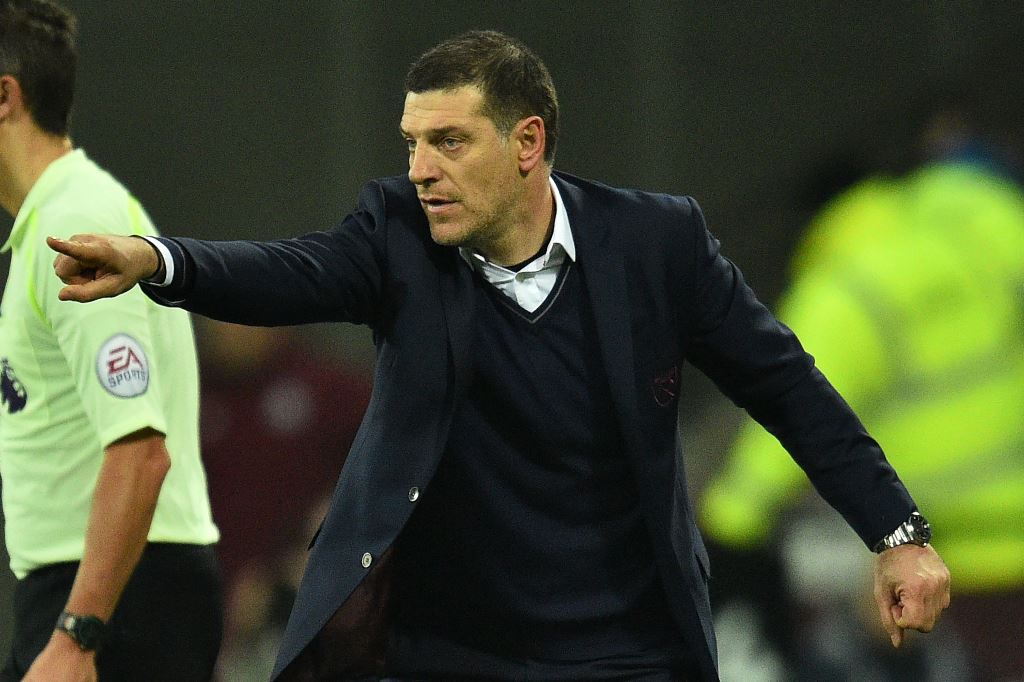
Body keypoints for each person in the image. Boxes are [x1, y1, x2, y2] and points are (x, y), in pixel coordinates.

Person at [46, 30, 950, 682]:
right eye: (412, 143)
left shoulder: (657, 245)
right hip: (446, 654)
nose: (421, 169)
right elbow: (290, 272)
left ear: (528, 144)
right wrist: (156, 261)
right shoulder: (397, 233)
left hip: (625, 652)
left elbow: (788, 389)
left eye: (449, 141)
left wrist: (898, 535)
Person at [700, 104, 1024, 681]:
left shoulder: (848, 284)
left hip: (959, 562)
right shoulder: (983, 223)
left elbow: (791, 406)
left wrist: (728, 526)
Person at [0, 1, 221, 680]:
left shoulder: (76, 223)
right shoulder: (56, 221)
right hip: (105, 592)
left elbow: (140, 452)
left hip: (117, 604)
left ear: (4, 97)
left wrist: (78, 635)